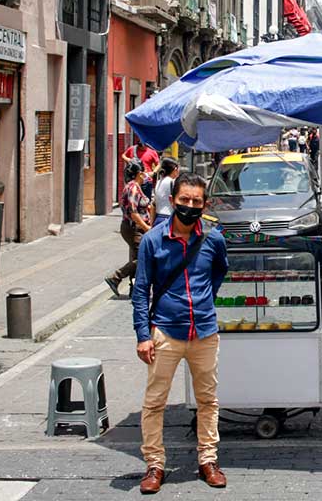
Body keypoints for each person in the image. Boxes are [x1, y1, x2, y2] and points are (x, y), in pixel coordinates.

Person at [133, 173, 230, 491]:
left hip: (204, 331)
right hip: (166, 333)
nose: (190, 206)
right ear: (172, 200)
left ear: (204, 204)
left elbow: (219, 271)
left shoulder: (213, 239)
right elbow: (141, 289)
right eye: (184, 200)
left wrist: (204, 302)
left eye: (196, 202)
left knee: (208, 400)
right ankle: (154, 466)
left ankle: (208, 460)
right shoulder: (153, 241)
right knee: (154, 402)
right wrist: (143, 335)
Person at [106, 160, 153, 295]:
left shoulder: (136, 187)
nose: (145, 175)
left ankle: (133, 289)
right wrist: (146, 227)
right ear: (139, 173)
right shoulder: (133, 188)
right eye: (143, 172)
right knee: (144, 257)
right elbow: (133, 212)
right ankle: (115, 277)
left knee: (135, 258)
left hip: (135, 228)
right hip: (134, 229)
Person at [152, 157, 181, 228]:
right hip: (168, 218)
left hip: (158, 218)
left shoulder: (159, 182)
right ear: (175, 169)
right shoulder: (172, 182)